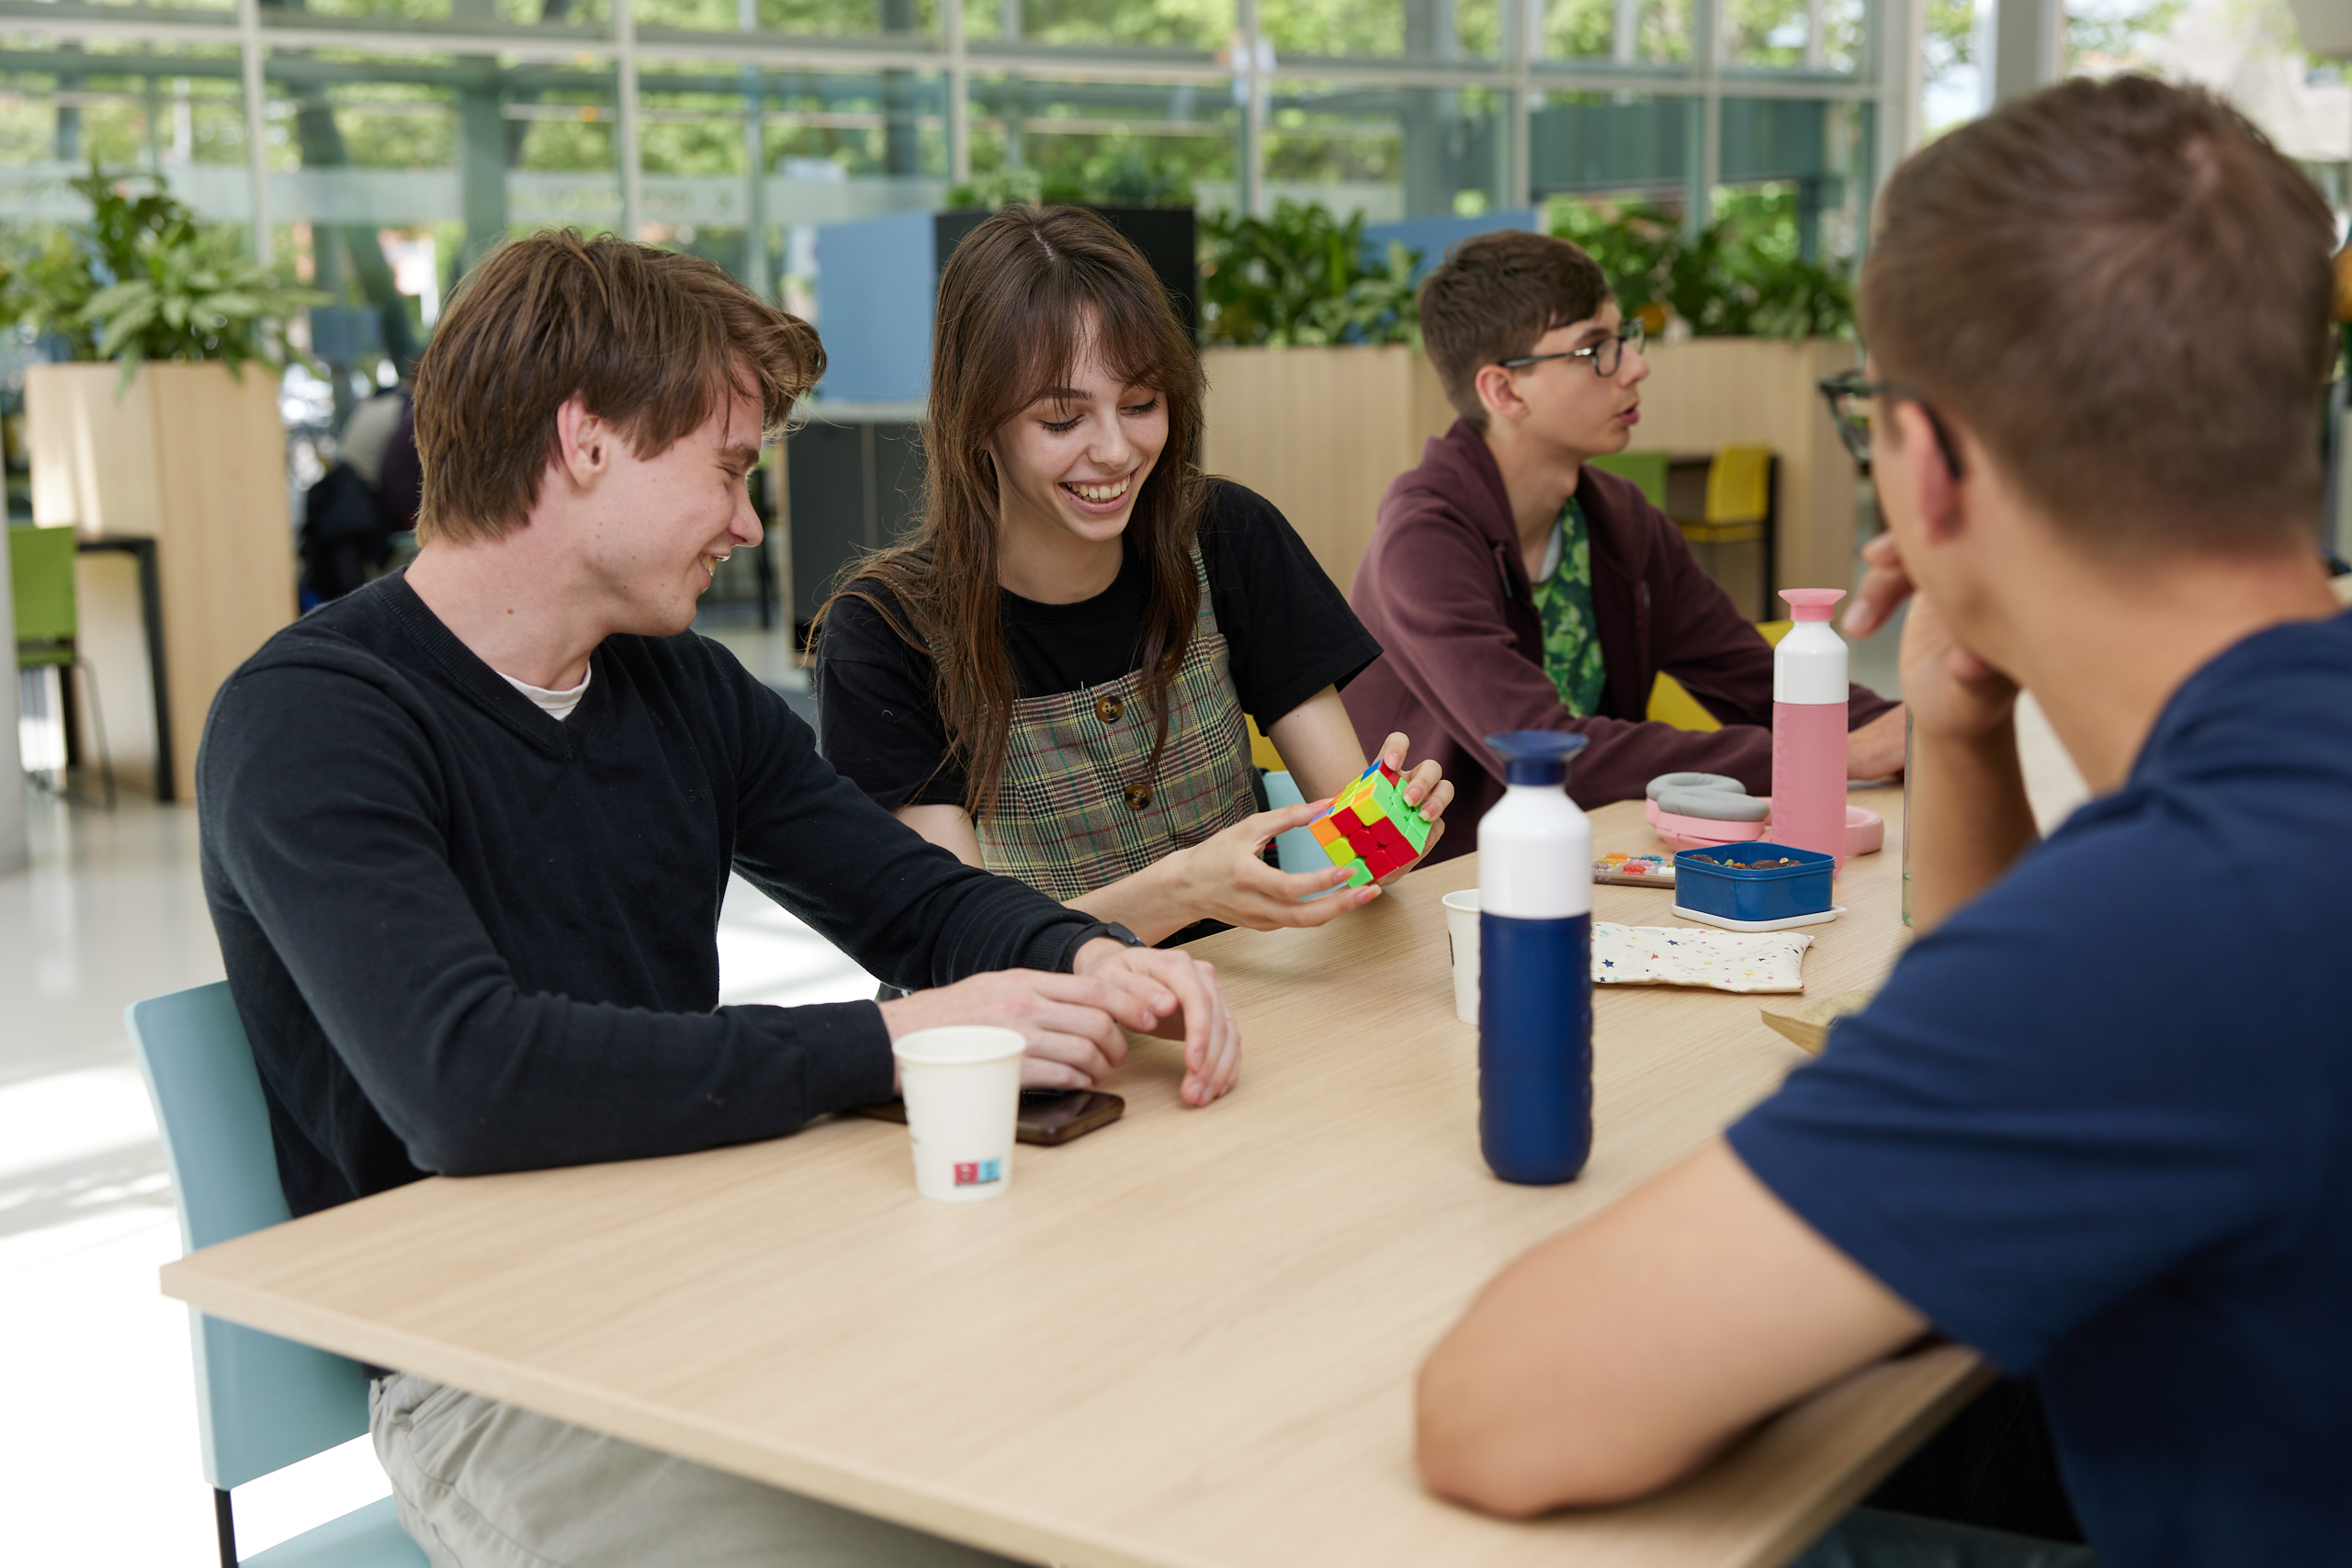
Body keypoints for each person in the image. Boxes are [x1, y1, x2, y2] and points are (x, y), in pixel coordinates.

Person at [1413, 77, 2351, 1567]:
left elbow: (1499, 1411)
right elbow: (2028, 1060)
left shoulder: (2169, 919)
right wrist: (1960, 734)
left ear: (1925, 466)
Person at [199, 230, 1238, 1568]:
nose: (749, 523)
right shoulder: (313, 720)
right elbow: (470, 1079)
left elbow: (914, 901)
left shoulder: (672, 684)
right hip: (494, 1371)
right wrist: (894, 1040)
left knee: (1123, 1451)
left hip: (718, 1270)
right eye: (730, 470)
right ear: (586, 443)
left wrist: (1086, 955)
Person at [816, 203, 1453, 945]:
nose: (1116, 451)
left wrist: (1395, 828)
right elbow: (958, 945)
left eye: (1142, 403)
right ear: (977, 422)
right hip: (1043, 1038)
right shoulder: (886, 634)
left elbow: (1362, 850)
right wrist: (1186, 888)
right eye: (1063, 420)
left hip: (1249, 1007)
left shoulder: (1227, 536)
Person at [1345, 229, 1905, 858]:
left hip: (1590, 861)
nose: (1636, 366)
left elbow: (1748, 675)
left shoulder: (1619, 520)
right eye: (1595, 349)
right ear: (1504, 391)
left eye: (1624, 339)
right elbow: (1544, 750)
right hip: (1438, 891)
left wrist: (1913, 728)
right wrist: (1829, 754)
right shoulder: (1422, 541)